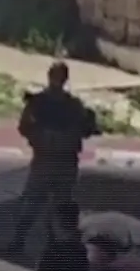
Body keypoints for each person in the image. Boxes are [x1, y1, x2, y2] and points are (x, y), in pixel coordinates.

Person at [6, 62, 99, 255]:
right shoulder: (73, 105)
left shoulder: (39, 102)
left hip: (48, 159)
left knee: (35, 203)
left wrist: (40, 137)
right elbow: (88, 129)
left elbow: (24, 127)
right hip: (62, 161)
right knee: (58, 207)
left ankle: (20, 242)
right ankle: (53, 248)